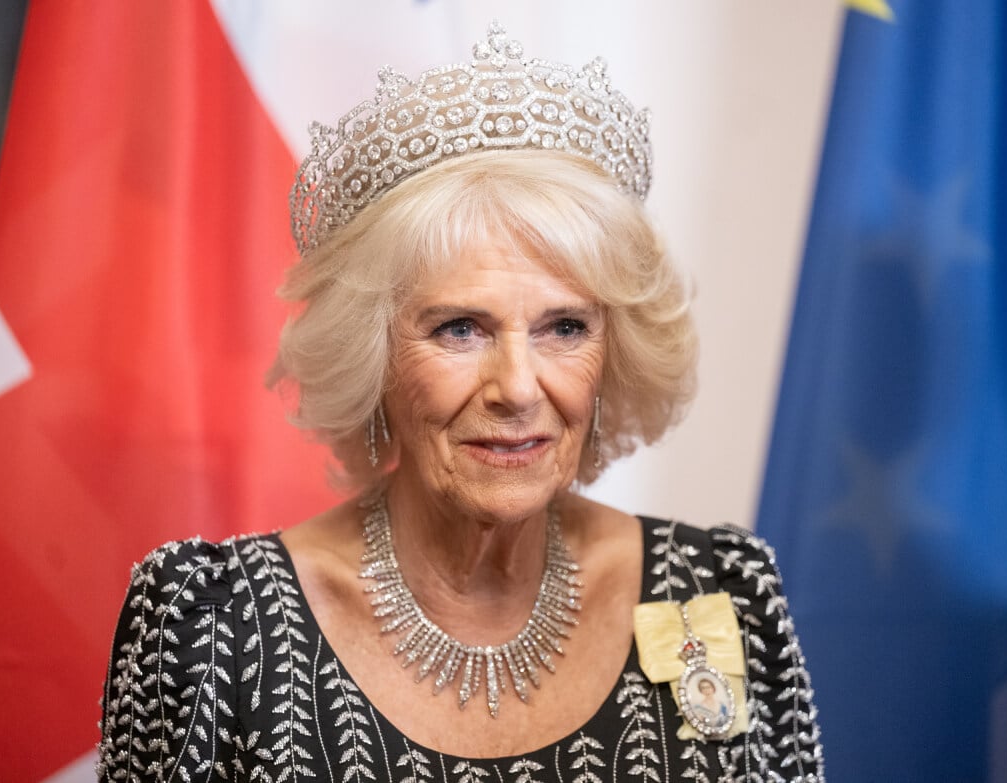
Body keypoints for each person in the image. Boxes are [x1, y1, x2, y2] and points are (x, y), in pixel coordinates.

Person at [97, 22, 823, 783]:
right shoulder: (211, 626)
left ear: (616, 352)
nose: (516, 386)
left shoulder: (718, 589)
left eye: (565, 326)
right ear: (373, 357)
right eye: (459, 328)